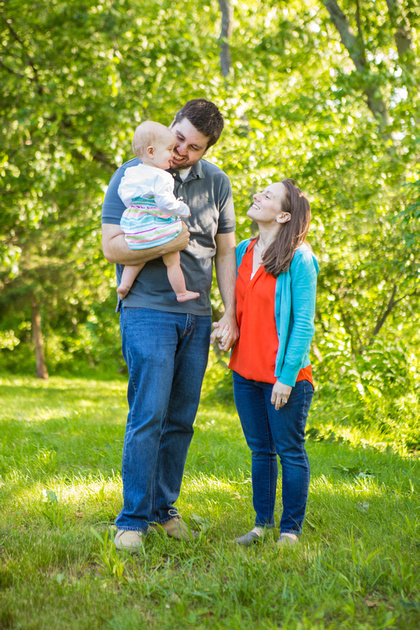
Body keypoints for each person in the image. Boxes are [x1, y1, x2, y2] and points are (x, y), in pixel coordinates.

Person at [101, 99, 238, 551]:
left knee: (180, 419)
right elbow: (113, 249)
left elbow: (223, 254)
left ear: (205, 150)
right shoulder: (131, 172)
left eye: (193, 147)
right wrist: (167, 240)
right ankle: (133, 520)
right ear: (171, 126)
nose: (180, 151)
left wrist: (229, 312)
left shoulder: (216, 183)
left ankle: (164, 509)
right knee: (149, 414)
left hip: (195, 317)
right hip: (146, 309)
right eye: (178, 138)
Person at [214, 178, 318, 547]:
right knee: (260, 450)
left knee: (289, 450)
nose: (258, 196)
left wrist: (287, 378)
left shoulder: (300, 258)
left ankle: (290, 530)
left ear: (284, 215)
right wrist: (228, 327)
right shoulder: (243, 249)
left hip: (284, 377)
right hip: (245, 372)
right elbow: (240, 308)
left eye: (268, 196)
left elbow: (303, 323)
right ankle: (261, 525)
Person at [117, 121, 199, 303]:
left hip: (135, 222)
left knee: (138, 256)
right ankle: (181, 292)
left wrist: (138, 208)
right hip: (157, 223)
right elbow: (165, 204)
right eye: (169, 149)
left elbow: (125, 196)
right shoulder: (163, 176)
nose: (173, 153)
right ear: (151, 152)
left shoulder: (131, 172)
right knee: (172, 261)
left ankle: (125, 284)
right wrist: (182, 209)